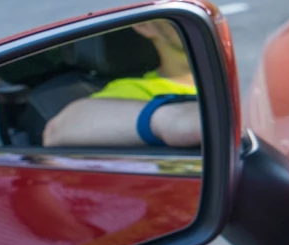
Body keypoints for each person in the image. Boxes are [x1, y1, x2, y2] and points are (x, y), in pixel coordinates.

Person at [42, 19, 201, 148]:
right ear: (144, 25)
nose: (203, 19)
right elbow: (57, 130)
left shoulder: (223, 72)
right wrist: (174, 118)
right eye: (182, 16)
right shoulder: (135, 90)